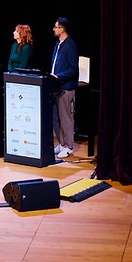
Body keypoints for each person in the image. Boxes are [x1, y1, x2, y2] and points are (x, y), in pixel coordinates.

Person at [50, 17, 80, 159]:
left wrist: (59, 76)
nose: (54, 29)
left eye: (56, 27)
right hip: (56, 86)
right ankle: (62, 144)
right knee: (56, 118)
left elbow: (73, 69)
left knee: (66, 118)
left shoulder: (70, 45)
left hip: (66, 88)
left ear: (62, 29)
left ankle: (69, 146)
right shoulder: (58, 44)